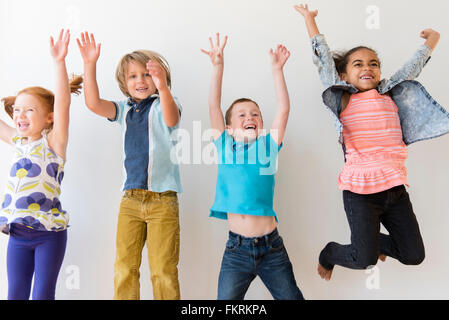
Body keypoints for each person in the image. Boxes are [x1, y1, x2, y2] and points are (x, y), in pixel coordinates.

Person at [295, 3, 449, 281]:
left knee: (414, 254)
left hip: (395, 188)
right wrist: (310, 21)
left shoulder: (389, 93)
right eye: (358, 64)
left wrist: (432, 42)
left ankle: (370, 240)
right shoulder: (344, 98)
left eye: (373, 63)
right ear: (344, 76)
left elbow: (411, 69)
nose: (368, 68)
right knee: (364, 259)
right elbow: (324, 61)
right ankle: (331, 252)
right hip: (360, 191)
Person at [77, 32, 182, 300]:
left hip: (162, 201)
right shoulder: (124, 110)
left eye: (147, 75)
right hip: (131, 201)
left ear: (159, 79)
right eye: (133, 76)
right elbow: (92, 103)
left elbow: (171, 119)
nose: (141, 81)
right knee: (124, 268)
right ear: (124, 83)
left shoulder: (164, 104)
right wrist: (90, 64)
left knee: (163, 271)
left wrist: (164, 87)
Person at [201, 33, 304, 300]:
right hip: (236, 250)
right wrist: (218, 67)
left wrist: (277, 70)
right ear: (228, 128)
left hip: (272, 248)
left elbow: (283, 108)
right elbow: (213, 104)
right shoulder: (224, 146)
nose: (250, 117)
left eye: (255, 114)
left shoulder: (268, 145)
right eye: (242, 114)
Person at [0, 29, 83, 299]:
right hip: (18, 236)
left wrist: (59, 62)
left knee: (43, 294)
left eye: (29, 110)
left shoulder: (53, 144)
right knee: (15, 293)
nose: (20, 115)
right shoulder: (17, 140)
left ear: (48, 118)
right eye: (17, 110)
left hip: (49, 235)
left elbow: (63, 103)